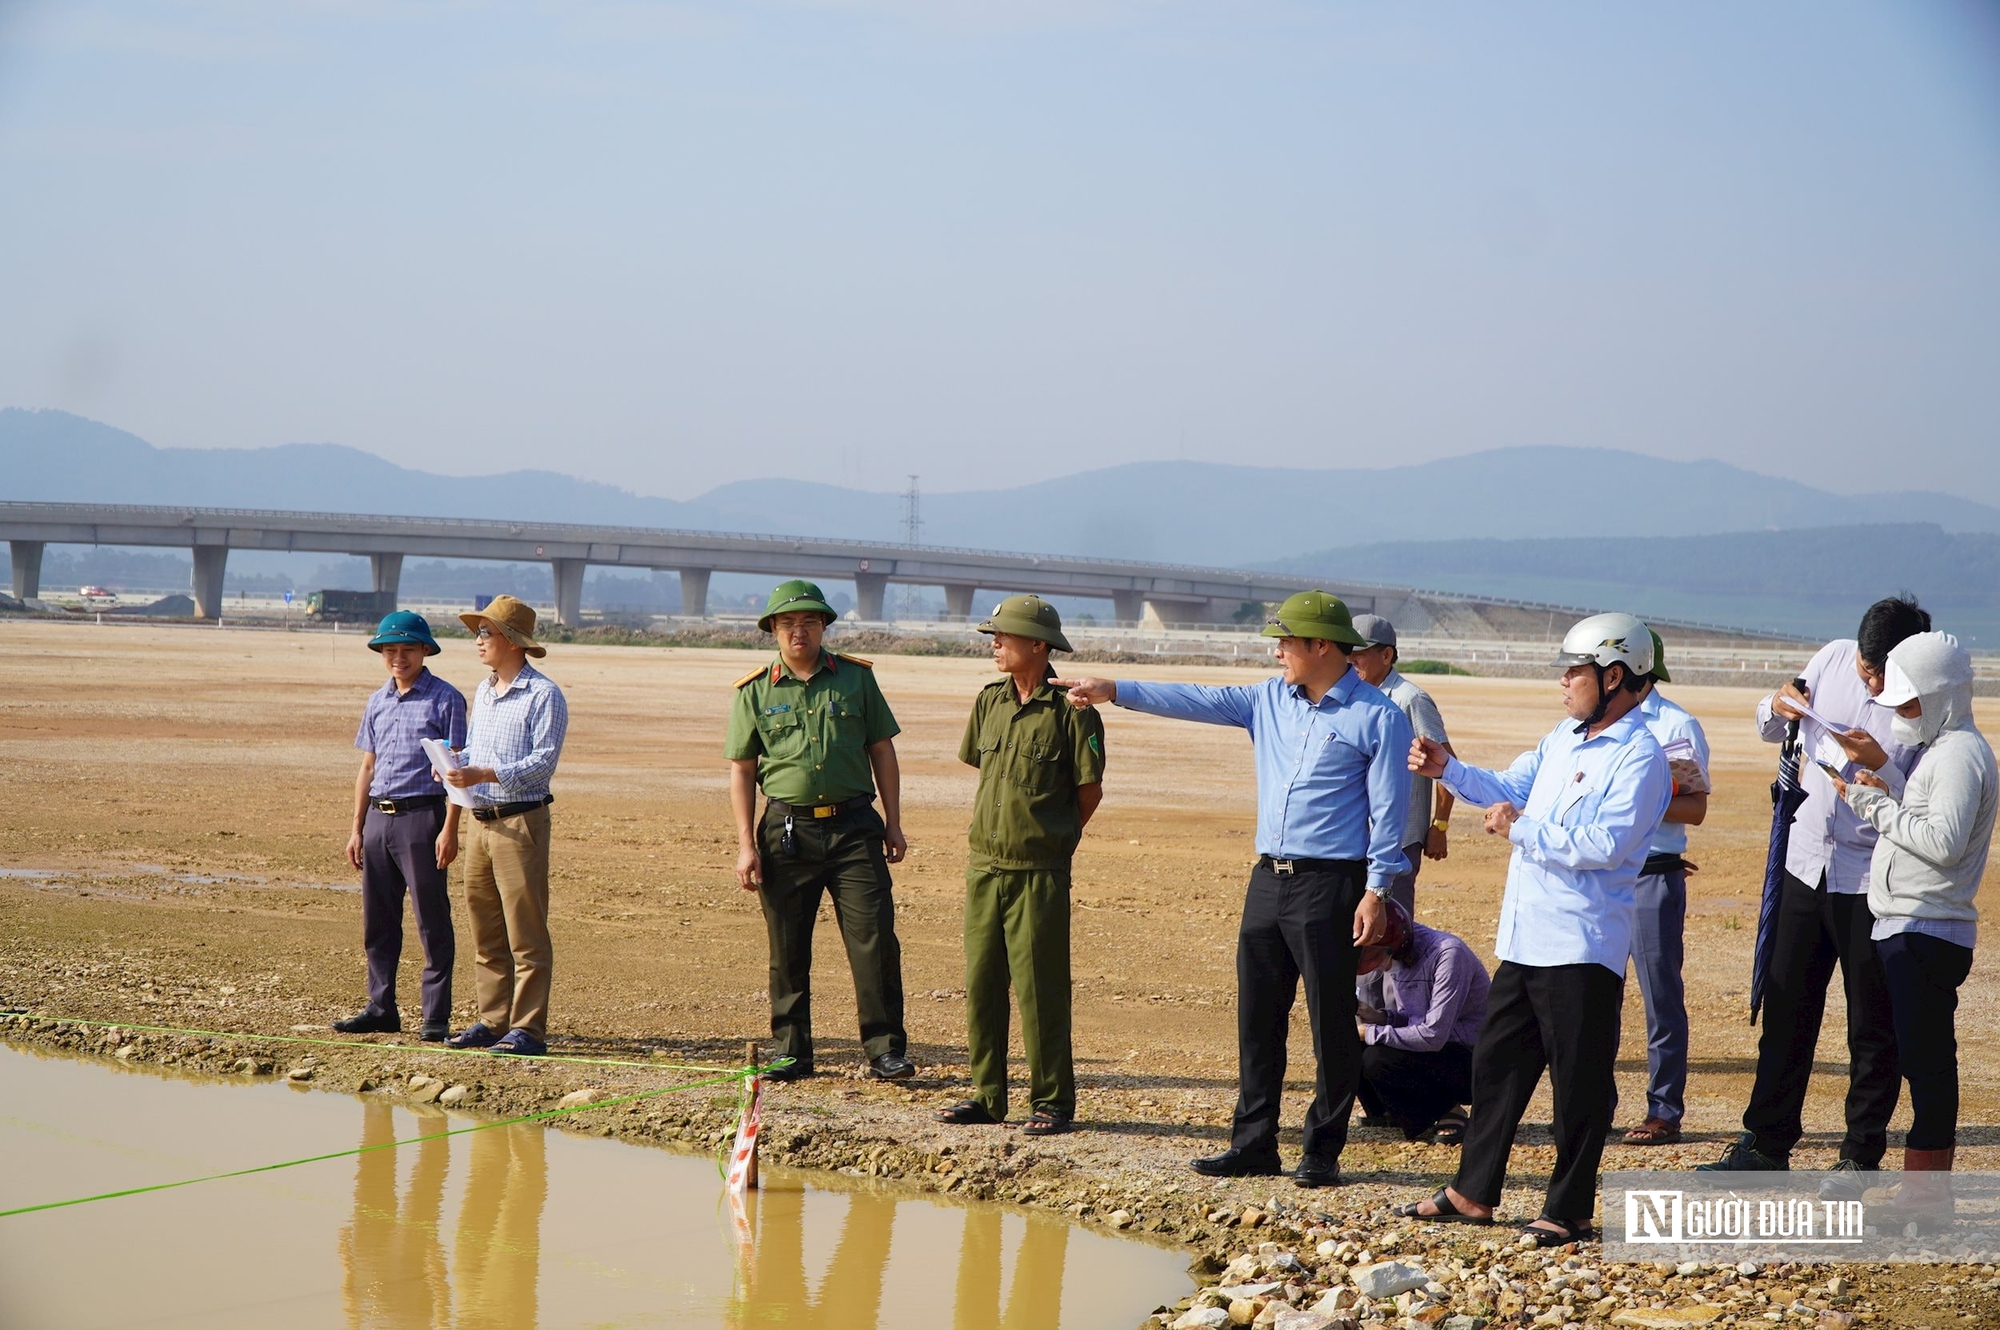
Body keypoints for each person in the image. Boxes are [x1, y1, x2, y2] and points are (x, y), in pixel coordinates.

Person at [1055, 590, 1411, 1188]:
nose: (1277, 652)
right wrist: (1114, 689)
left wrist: (1376, 891)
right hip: (1268, 880)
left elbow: (1390, 813)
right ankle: (1253, 1144)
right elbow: (1196, 698)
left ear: (1321, 646)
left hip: (1333, 886)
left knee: (1331, 1021)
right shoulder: (1268, 700)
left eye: (1286, 642)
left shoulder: (1379, 716)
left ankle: (1321, 1150)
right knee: (1258, 1018)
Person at [1398, 611, 1671, 1245]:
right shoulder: (1562, 739)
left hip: (1581, 944)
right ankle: (1472, 1192)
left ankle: (1571, 1209)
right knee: (1497, 1068)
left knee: (1578, 1086)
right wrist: (1449, 768)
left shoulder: (1641, 756)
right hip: (1525, 940)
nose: (1564, 682)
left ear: (1615, 675)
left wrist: (1519, 829)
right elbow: (1505, 786)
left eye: (1574, 671)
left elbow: (1605, 844)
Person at [1701, 596, 1929, 1189]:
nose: (1868, 678)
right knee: (1786, 1006)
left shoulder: (1924, 706)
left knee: (1870, 1022)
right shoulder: (1830, 660)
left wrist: (1884, 768)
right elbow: (1770, 724)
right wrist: (1776, 706)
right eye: (1864, 665)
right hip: (1806, 863)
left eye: (1879, 673)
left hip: (1870, 876)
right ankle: (1768, 1142)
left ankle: (1859, 1155)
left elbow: (1929, 808)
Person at [1829, 631, 1994, 1224]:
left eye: (1907, 703)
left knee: (1926, 1064)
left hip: (1926, 928)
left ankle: (1926, 1199)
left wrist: (1872, 806)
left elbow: (1943, 845)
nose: (1899, 714)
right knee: (1921, 1059)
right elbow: (1930, 822)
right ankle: (1924, 1194)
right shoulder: (1948, 749)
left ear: (1941, 697)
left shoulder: (1956, 756)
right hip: (1913, 924)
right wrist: (1890, 789)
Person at [725, 579, 914, 1082]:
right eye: (787, 624)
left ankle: (884, 1050)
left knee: (874, 938)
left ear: (824, 626)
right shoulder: (755, 691)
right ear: (772, 631)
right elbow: (743, 770)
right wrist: (746, 846)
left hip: (855, 828)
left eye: (808, 621)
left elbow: (882, 751)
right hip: (786, 831)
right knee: (787, 946)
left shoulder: (855, 679)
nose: (798, 631)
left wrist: (893, 822)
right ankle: (792, 1051)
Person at [937, 596, 1104, 1136]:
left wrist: (1055, 841)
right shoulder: (989, 702)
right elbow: (983, 772)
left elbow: (1088, 791)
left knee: (1040, 988)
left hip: (1038, 869)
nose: (995, 644)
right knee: (982, 984)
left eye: (1004, 636)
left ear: (1038, 645)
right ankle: (988, 1095)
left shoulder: (1074, 711)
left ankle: (1052, 1100)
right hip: (985, 865)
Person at [440, 595, 569, 1057]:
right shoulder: (484, 691)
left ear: (512, 641)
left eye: (485, 633)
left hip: (520, 823)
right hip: (481, 821)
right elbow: (476, 750)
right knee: (485, 927)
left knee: (525, 930)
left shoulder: (544, 694)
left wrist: (484, 774)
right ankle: (493, 1020)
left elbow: (542, 763)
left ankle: (529, 1029)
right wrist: (456, 765)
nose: (478, 641)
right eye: (478, 633)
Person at [335, 611, 466, 1042]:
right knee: (379, 920)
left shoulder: (446, 699)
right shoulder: (377, 701)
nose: (398, 657)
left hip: (422, 820)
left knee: (432, 920)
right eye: (390, 650)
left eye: (407, 649)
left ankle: (435, 1017)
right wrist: (357, 828)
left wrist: (450, 829)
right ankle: (380, 1007)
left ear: (425, 650)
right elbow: (367, 766)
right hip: (378, 819)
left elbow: (455, 770)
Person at [1617, 628, 1711, 1146]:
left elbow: (1694, 808)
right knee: (1593, 994)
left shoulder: (1675, 725)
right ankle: (1591, 1103)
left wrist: (1635, 798)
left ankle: (1663, 1109)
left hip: (1652, 876)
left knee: (1660, 995)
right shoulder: (1592, 724)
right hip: (1601, 875)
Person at [1354, 900, 1489, 1144]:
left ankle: (1448, 1109)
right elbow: (1413, 1017)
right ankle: (1387, 1109)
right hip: (1437, 1046)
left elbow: (1433, 1034)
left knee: (1377, 1056)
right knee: (1345, 1043)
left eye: (1380, 958)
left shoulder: (1449, 954)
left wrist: (1370, 1032)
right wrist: (1382, 1017)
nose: (1382, 967)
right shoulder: (1399, 952)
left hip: (1470, 1058)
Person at [1350, 614, 1455, 916]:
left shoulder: (1411, 700)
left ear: (1386, 655)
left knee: (1391, 930)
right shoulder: (1353, 699)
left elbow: (1447, 765)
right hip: (1356, 837)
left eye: (1360, 654)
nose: (1351, 661)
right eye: (1349, 653)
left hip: (1400, 839)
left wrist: (1439, 826)